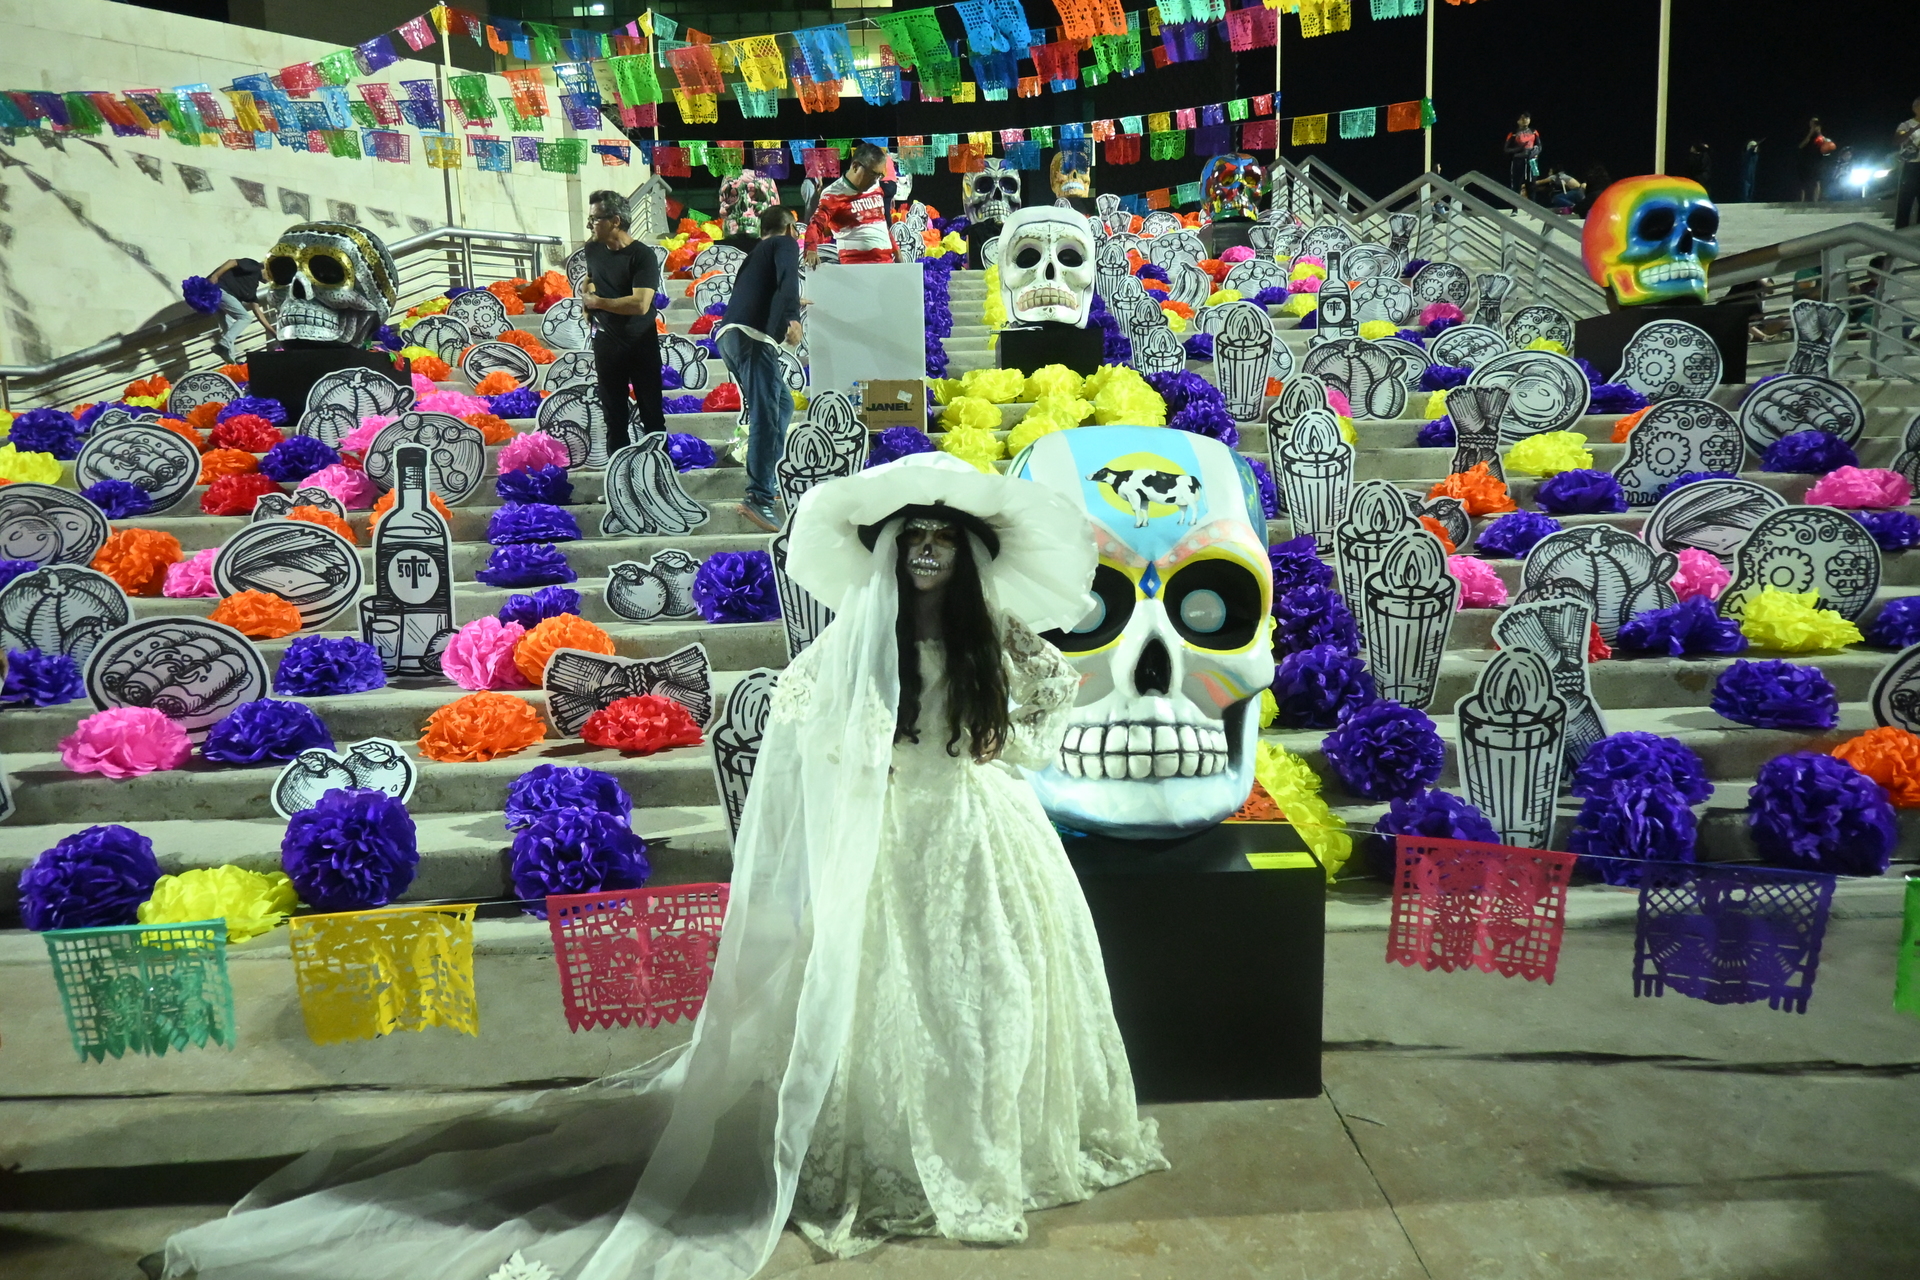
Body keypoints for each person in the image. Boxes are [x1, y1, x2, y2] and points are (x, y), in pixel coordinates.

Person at [162, 453, 1168, 1278]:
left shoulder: (997, 640)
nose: (930, 558)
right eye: (917, 543)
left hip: (979, 832)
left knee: (987, 988)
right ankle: (892, 1146)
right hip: (893, 837)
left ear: (971, 556)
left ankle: (990, 1138)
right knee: (885, 996)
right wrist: (868, 774)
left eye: (946, 545)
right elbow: (800, 725)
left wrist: (979, 755)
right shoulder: (852, 650)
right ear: (893, 551)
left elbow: (1041, 712)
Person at [718, 206, 805, 533]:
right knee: (768, 414)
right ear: (790, 228)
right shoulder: (784, 244)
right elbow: (787, 278)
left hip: (732, 338)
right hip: (752, 339)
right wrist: (791, 316)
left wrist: (790, 304)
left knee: (781, 403)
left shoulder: (756, 253)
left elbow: (764, 289)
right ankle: (759, 495)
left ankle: (761, 466)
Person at [579, 189, 665, 452]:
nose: (589, 223)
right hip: (606, 342)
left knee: (651, 413)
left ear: (615, 221)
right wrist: (588, 293)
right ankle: (616, 478)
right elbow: (592, 276)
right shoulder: (592, 248)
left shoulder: (642, 256)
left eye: (595, 218)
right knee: (613, 416)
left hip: (640, 341)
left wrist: (597, 303)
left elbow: (640, 305)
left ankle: (657, 473)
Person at [804, 143, 896, 266]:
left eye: (879, 175)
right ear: (856, 166)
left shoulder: (875, 186)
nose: (876, 180)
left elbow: (882, 223)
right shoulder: (833, 194)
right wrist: (810, 250)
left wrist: (898, 254)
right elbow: (815, 225)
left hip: (886, 265)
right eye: (873, 174)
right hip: (855, 269)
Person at [207, 257, 270, 363]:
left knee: (228, 327)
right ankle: (223, 345)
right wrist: (215, 275)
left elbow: (258, 312)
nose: (269, 281)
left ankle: (231, 362)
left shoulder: (252, 285)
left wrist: (273, 332)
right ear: (267, 270)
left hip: (219, 297)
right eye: (271, 278)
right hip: (219, 289)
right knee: (245, 318)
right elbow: (232, 262)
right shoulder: (254, 266)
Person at [1895, 96, 1920, 229]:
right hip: (1911, 166)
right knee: (1905, 203)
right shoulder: (1906, 124)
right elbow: (1897, 140)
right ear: (1915, 108)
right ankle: (1899, 236)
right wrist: (1914, 130)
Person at [1797, 117, 1835, 202]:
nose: (1814, 125)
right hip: (1805, 161)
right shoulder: (1804, 134)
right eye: (1812, 123)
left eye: (1816, 124)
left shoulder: (1822, 137)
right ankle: (1801, 201)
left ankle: (1815, 201)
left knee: (1817, 181)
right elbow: (1801, 146)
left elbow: (1829, 149)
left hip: (1817, 162)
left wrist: (1819, 134)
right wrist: (1810, 133)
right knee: (1803, 182)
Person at [1504, 113, 1541, 192]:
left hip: (1532, 161)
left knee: (1532, 185)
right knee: (1516, 184)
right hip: (1519, 160)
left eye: (1527, 118)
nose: (1525, 120)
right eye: (1523, 118)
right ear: (1518, 121)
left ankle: (1532, 203)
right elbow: (1506, 149)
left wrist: (1535, 151)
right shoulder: (1513, 133)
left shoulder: (1534, 131)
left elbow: (1539, 146)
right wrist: (1519, 148)